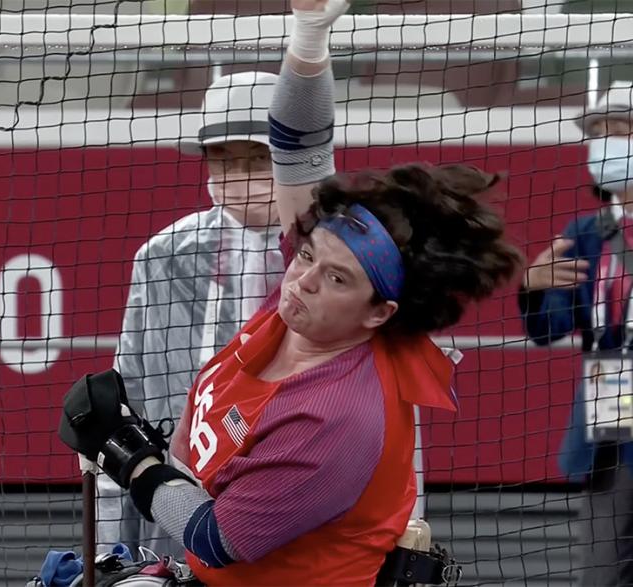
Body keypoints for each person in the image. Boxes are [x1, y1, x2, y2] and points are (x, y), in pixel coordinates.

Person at [62, 0, 522, 584]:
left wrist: (129, 457)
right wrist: (308, 39)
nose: (300, 279)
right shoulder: (317, 300)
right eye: (305, 255)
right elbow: (300, 143)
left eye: (334, 278)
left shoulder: (334, 417)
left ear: (381, 312)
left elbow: (216, 535)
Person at [100, 70, 285, 555]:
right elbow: (130, 397)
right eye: (223, 161)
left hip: (294, 503)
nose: (237, 177)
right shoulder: (163, 256)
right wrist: (114, 551)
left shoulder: (336, 256)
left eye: (255, 159)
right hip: (177, 506)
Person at [519, 80, 633, 585]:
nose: (608, 142)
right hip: (611, 393)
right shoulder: (587, 232)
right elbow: (549, 329)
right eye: (600, 133)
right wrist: (532, 286)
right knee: (604, 564)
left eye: (622, 131)